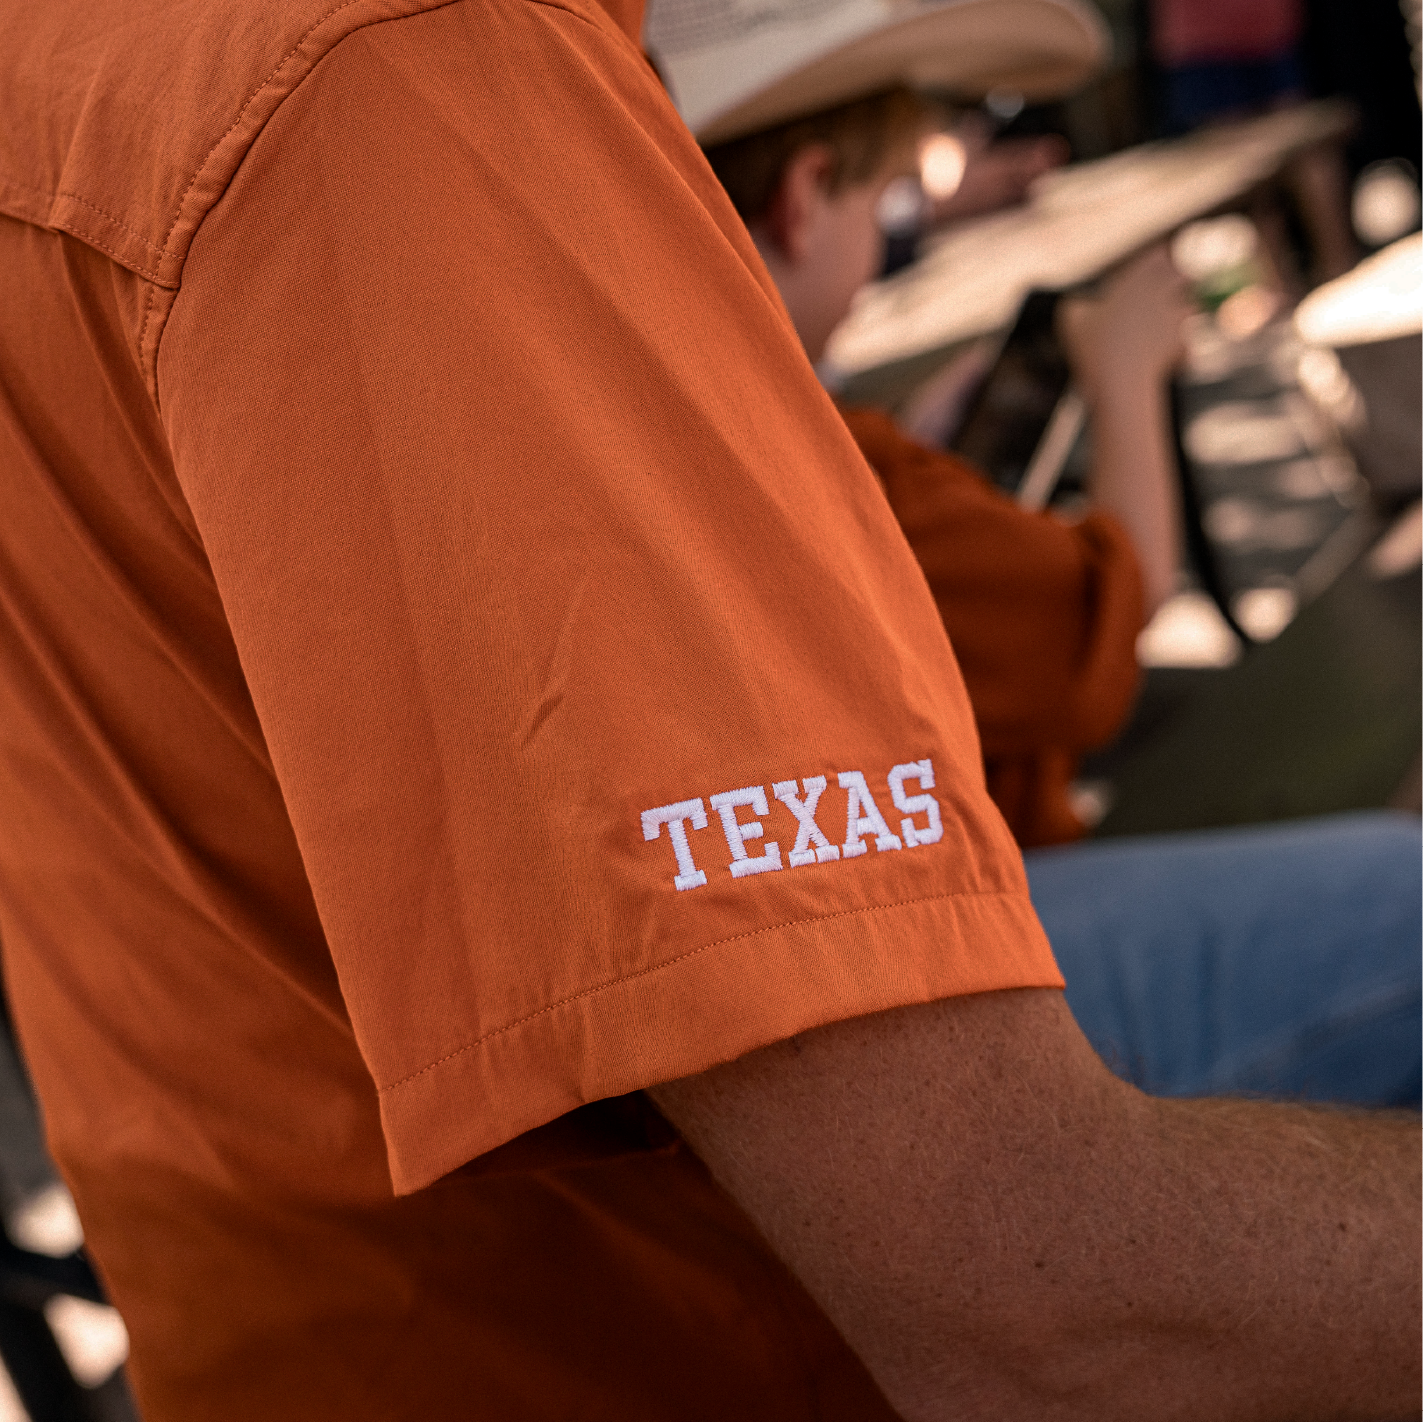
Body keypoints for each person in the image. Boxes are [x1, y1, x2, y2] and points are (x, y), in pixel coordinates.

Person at [7, 1, 1423, 1420]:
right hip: (654, 1331)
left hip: (289, 1314)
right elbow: (1039, 1298)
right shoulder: (396, 74)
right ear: (810, 197)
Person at [668, 28, 1423, 1108]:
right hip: (911, 987)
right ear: (804, 197)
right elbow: (1104, 640)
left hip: (804, 961)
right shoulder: (834, 470)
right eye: (884, 200)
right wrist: (1123, 381)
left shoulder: (722, 430)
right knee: (1403, 899)